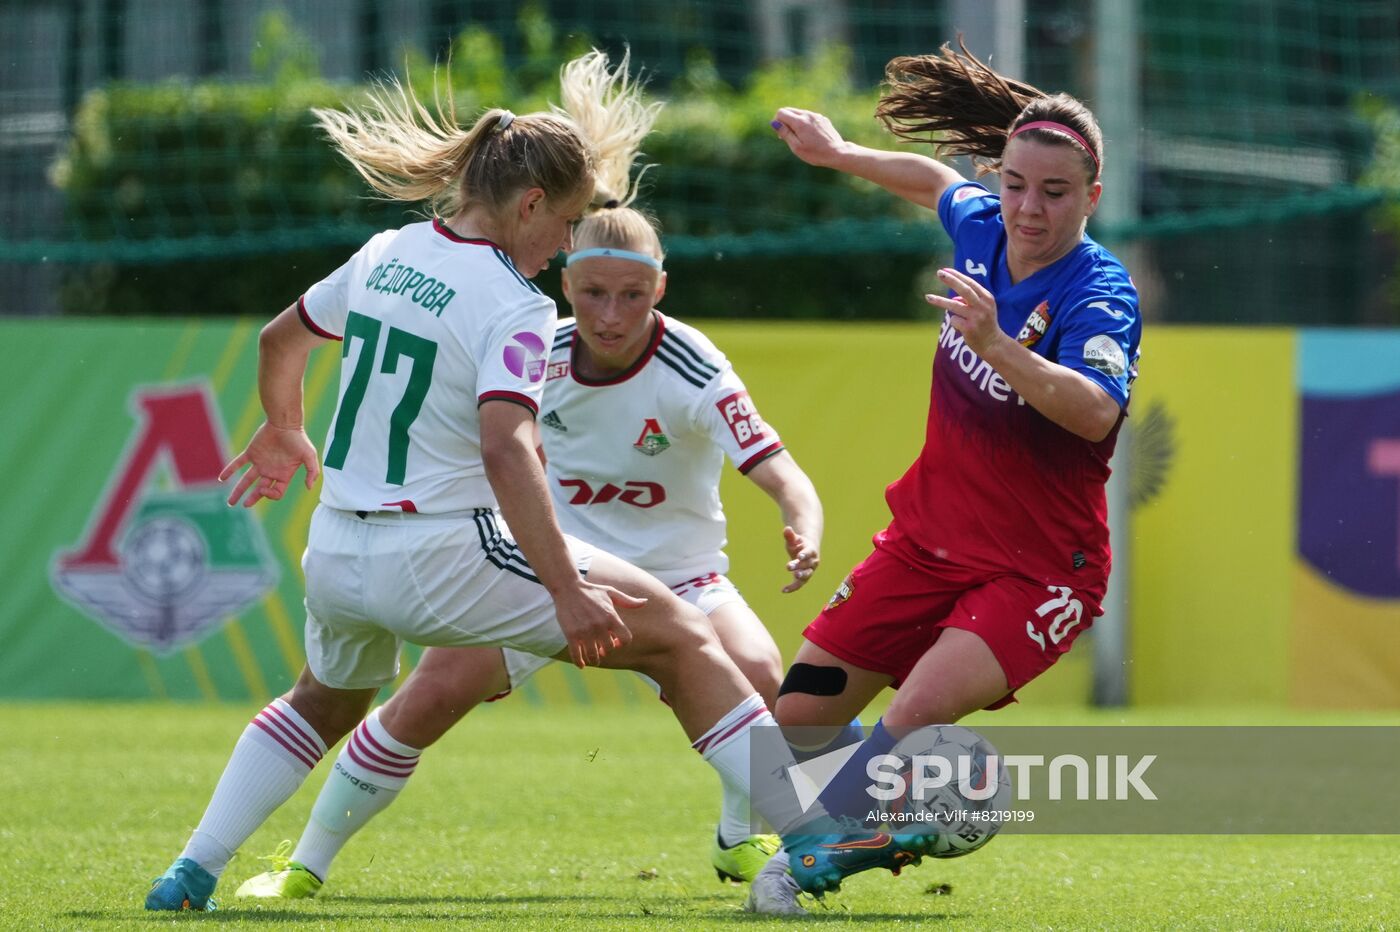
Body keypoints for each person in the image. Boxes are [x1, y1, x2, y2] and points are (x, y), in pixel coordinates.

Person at [143, 50, 919, 913]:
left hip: (336, 548)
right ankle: (812, 837)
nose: (561, 251)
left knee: (321, 700)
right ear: (531, 204)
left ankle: (193, 869)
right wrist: (566, 590)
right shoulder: (513, 303)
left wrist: (286, 430)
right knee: (679, 638)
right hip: (438, 549)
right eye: (569, 223)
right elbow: (509, 450)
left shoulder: (384, 251)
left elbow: (278, 342)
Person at [230, 201, 833, 900]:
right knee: (427, 697)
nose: (611, 315)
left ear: (660, 289)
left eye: (632, 296)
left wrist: (803, 523)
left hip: (680, 574)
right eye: (594, 294)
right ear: (566, 284)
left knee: (758, 668)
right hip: (547, 569)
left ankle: (739, 837)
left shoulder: (693, 365)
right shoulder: (529, 348)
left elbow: (779, 466)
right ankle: (305, 865)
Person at [746, 39, 1143, 915]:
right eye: (1014, 184)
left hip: (1040, 570)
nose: (1028, 209)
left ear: (1092, 198)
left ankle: (810, 860)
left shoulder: (1099, 292)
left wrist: (1002, 346)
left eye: (1054, 192)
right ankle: (930, 801)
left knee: (916, 715)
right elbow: (932, 181)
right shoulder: (982, 226)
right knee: (796, 719)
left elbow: (1096, 413)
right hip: (925, 543)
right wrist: (840, 153)